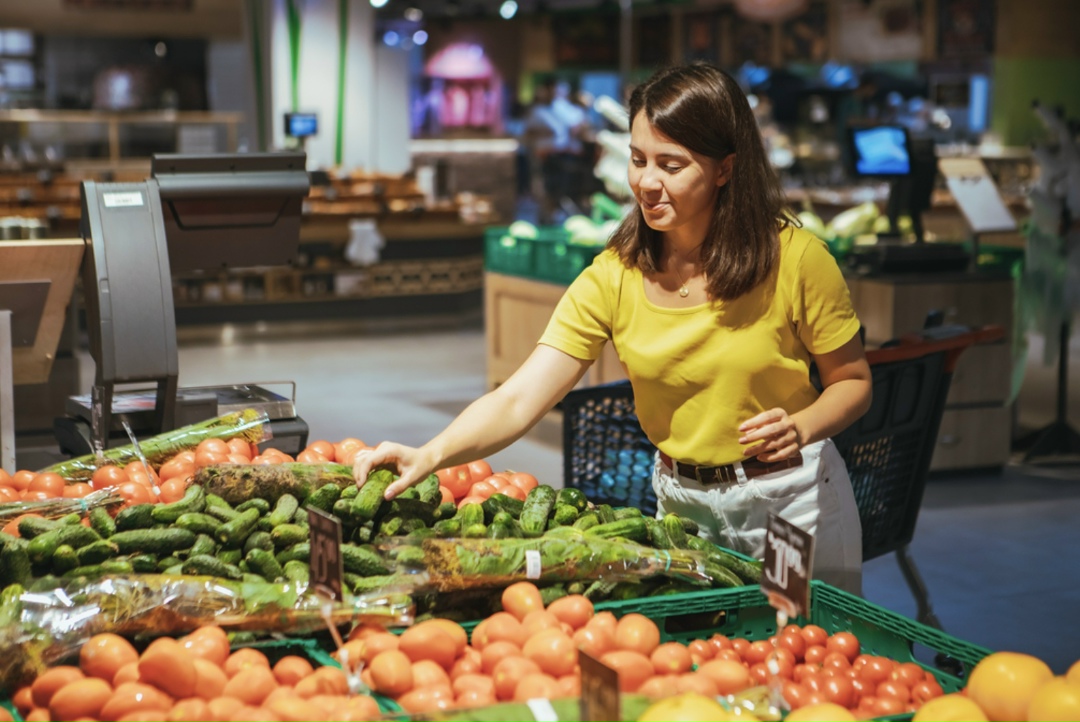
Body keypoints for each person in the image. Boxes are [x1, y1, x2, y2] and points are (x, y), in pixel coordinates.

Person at [354, 62, 872, 594]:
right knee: (708, 658)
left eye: (672, 165)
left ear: (725, 168)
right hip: (682, 510)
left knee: (801, 654)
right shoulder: (614, 275)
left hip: (788, 505)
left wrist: (803, 428)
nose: (647, 182)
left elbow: (853, 382)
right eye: (638, 159)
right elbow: (517, 399)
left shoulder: (796, 260)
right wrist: (430, 454)